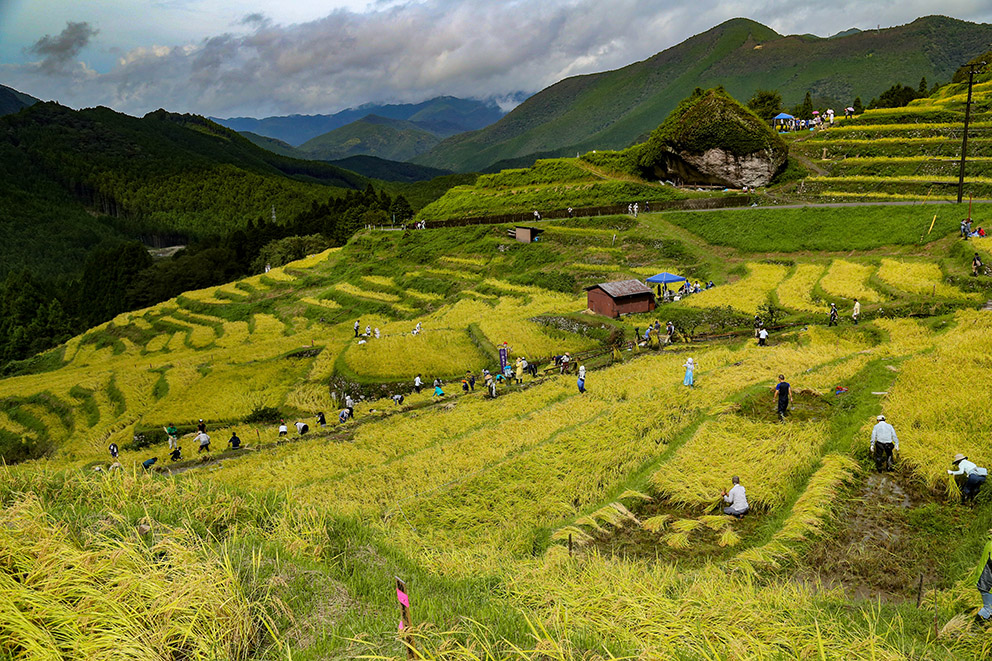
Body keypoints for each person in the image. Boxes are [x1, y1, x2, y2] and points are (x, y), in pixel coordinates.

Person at [974, 533, 992, 625]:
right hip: (986, 582)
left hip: (985, 579)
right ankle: (974, 630)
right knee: (988, 609)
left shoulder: (990, 542)